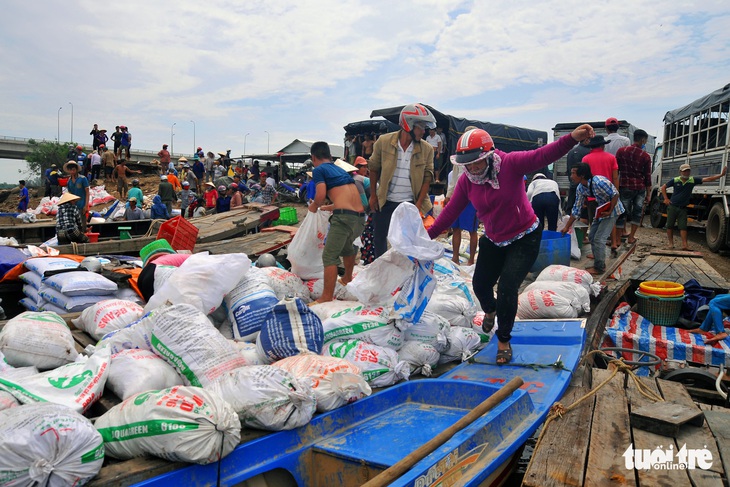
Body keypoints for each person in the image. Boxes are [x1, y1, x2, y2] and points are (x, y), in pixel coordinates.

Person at [428, 124, 596, 365]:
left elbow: (544, 155)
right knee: (480, 284)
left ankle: (504, 340)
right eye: (467, 164)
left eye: (477, 162)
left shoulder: (510, 164)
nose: (473, 168)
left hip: (524, 236)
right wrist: (428, 235)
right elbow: (451, 210)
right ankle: (491, 310)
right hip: (495, 238)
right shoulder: (467, 181)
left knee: (508, 286)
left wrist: (571, 139)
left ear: (488, 156)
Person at [368, 103, 436, 258]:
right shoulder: (383, 142)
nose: (424, 131)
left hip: (409, 203)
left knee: (408, 242)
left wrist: (417, 206)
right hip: (385, 201)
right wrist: (373, 195)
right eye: (421, 127)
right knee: (379, 239)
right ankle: (383, 272)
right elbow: (373, 168)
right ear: (409, 124)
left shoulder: (427, 149)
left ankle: (405, 274)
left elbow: (427, 177)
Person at [308, 141, 366, 304]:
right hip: (360, 218)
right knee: (347, 247)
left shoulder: (318, 170)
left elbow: (319, 196)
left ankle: (326, 297)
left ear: (314, 157)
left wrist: (313, 208)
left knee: (329, 255)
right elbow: (347, 198)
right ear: (330, 156)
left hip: (344, 218)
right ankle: (347, 278)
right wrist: (329, 207)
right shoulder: (341, 170)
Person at [561, 163, 624, 275]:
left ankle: (600, 267)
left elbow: (615, 194)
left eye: (573, 173)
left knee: (599, 239)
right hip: (601, 210)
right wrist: (566, 227)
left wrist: (609, 211)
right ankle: (598, 258)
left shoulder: (599, 182)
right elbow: (576, 209)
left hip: (613, 211)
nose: (571, 176)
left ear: (582, 175)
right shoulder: (581, 187)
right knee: (592, 236)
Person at [661, 164, 727, 250]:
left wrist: (721, 175)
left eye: (688, 170)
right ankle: (670, 244)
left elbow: (708, 179)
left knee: (683, 226)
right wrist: (666, 198)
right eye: (684, 171)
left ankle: (685, 245)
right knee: (669, 225)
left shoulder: (692, 180)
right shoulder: (675, 180)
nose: (686, 172)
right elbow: (663, 187)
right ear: (680, 172)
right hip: (673, 206)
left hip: (683, 208)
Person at [582, 134, 620, 256]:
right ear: (603, 146)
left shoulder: (586, 159)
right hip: (609, 195)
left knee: (594, 222)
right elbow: (615, 177)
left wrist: (584, 197)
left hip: (593, 195)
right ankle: (614, 243)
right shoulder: (611, 158)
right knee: (610, 219)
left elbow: (584, 179)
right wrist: (616, 193)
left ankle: (595, 252)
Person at [615, 129, 652, 244]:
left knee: (621, 213)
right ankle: (631, 237)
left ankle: (617, 239)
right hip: (639, 188)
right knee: (637, 212)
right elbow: (648, 177)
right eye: (645, 140)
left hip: (624, 186)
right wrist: (649, 194)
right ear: (642, 139)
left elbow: (616, 171)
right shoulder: (645, 156)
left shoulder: (621, 151)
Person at [63, 160, 90, 233]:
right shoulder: (69, 181)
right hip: (74, 205)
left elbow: (87, 192)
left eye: (73, 170)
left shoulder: (82, 179)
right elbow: (70, 194)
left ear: (76, 170)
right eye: (70, 170)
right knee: (75, 223)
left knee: (82, 223)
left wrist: (86, 205)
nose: (72, 172)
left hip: (82, 204)